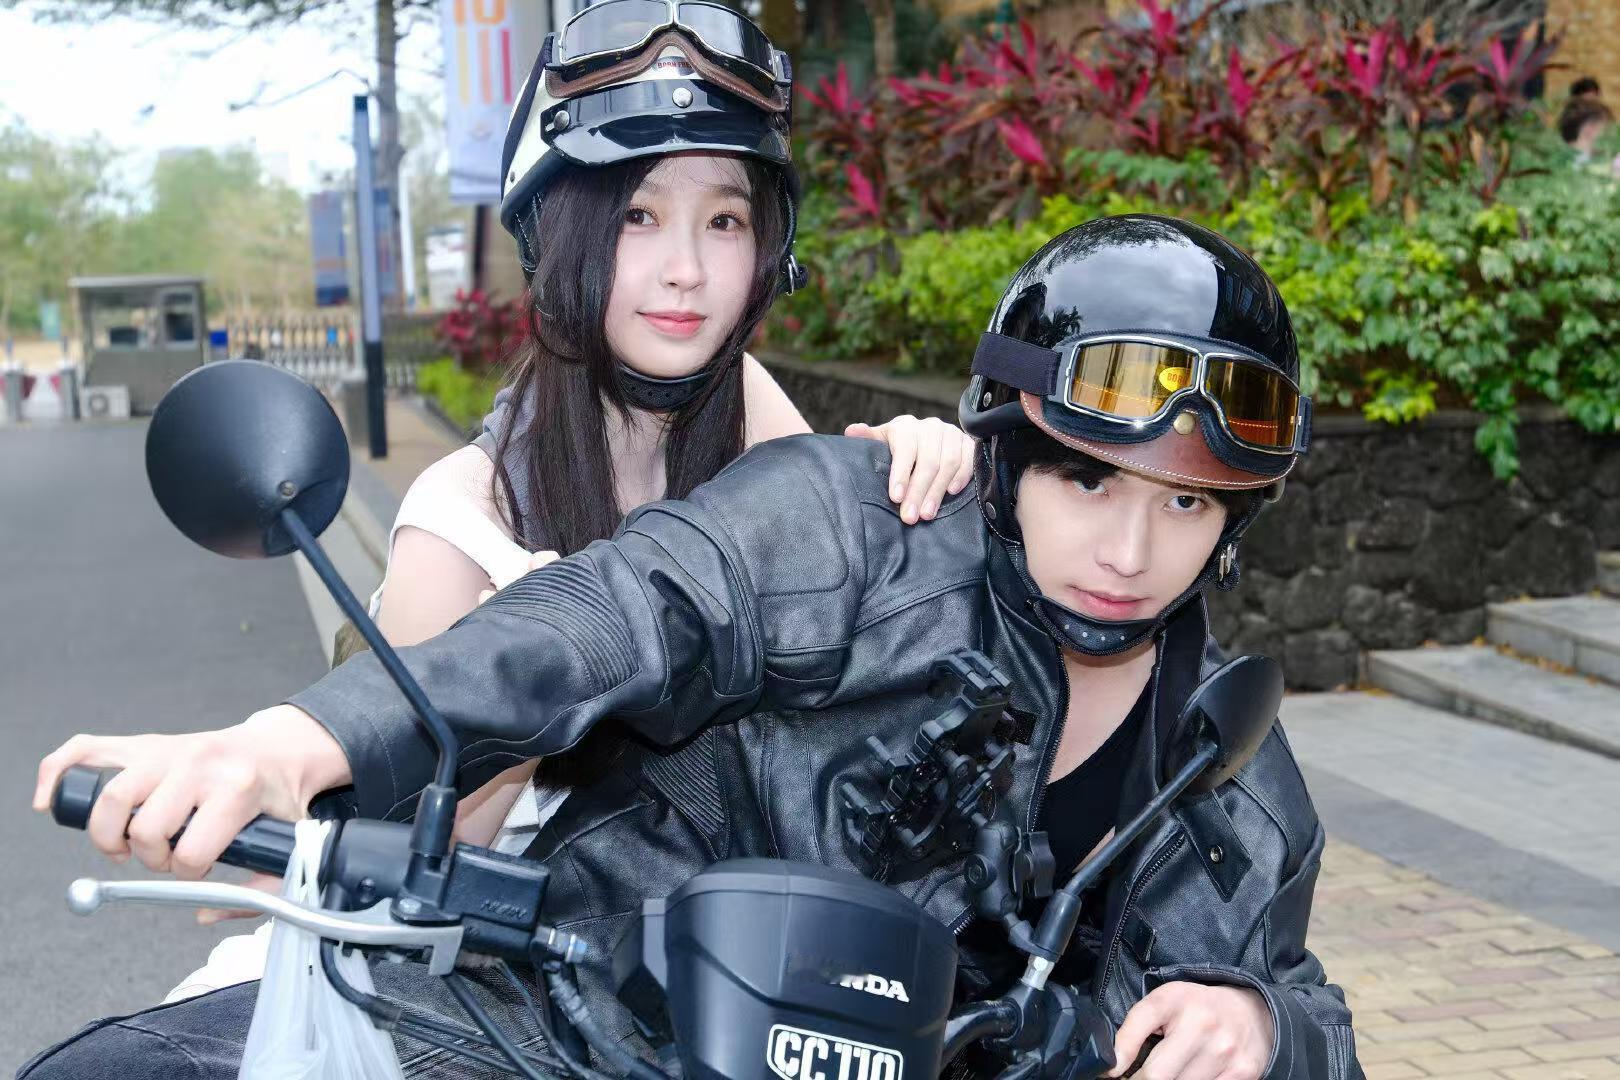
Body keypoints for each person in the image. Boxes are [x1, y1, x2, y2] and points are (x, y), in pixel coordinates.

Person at [27, 213, 1361, 1079]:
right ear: (1006, 453)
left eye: (1185, 506)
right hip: (581, 1033)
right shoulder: (854, 529)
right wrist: (294, 744)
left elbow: (1305, 1002)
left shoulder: (1229, 766)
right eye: (1088, 481)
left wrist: (1260, 1026)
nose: (1130, 552)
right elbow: (601, 618)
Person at [160, 1, 976, 1002]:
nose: (686, 270)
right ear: (559, 233)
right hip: (511, 993)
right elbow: (402, 866)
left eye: (724, 220)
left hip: (744, 972)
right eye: (638, 216)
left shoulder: (755, 413)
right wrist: (518, 710)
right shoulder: (461, 523)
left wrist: (908, 469)